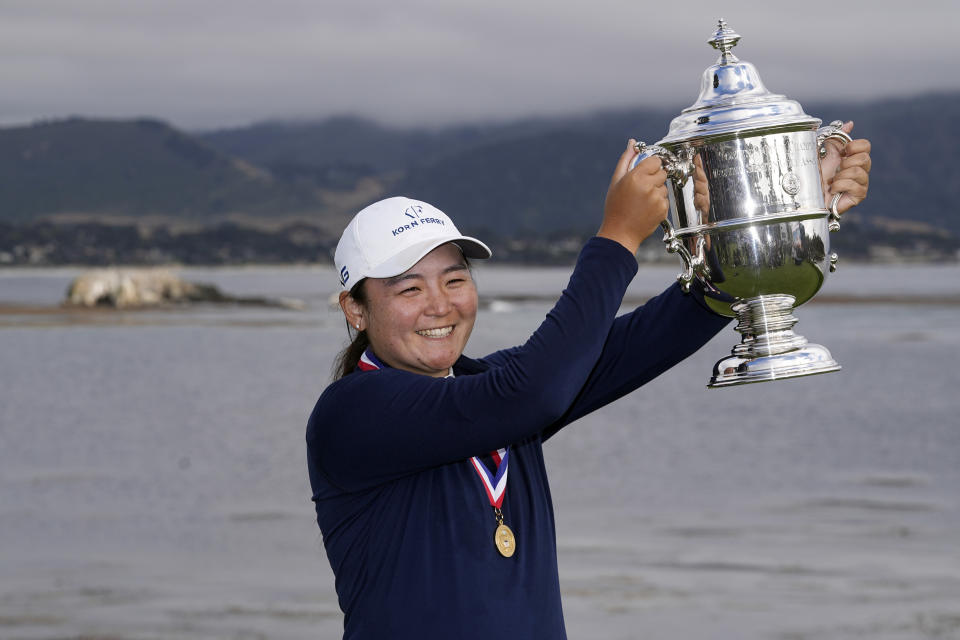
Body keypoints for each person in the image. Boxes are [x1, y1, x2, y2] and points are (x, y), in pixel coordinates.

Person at [306, 130, 871, 639]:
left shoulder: (491, 387)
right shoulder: (353, 413)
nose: (440, 305)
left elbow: (649, 338)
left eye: (455, 279)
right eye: (408, 291)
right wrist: (617, 238)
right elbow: (536, 391)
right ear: (354, 310)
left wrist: (780, 220)